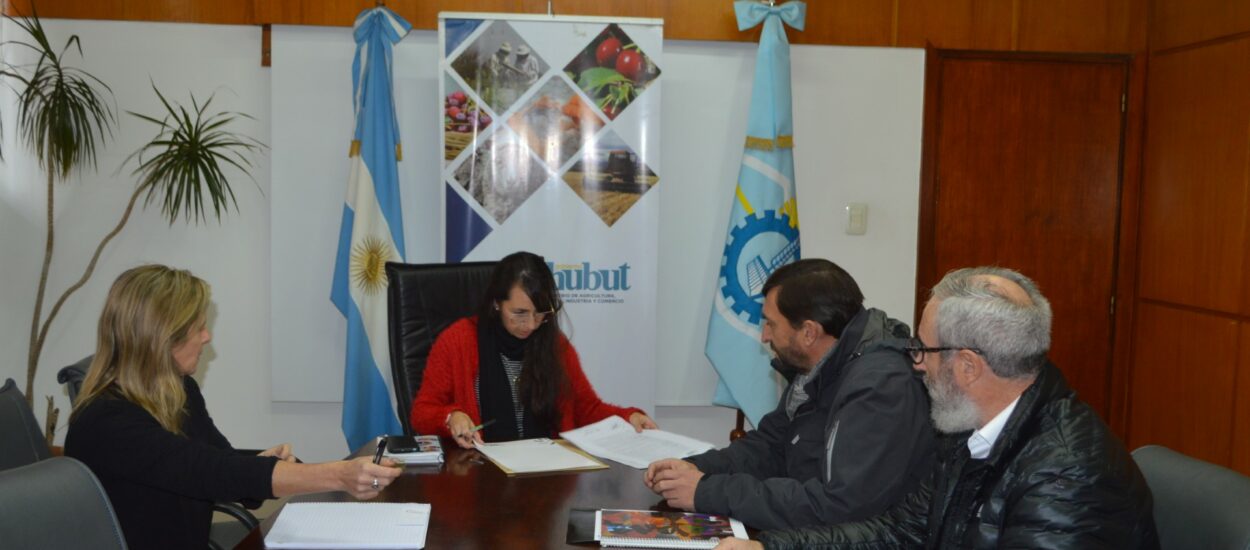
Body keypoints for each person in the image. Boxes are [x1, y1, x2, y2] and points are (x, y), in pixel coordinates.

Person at [715, 267, 1159, 549]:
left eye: (924, 349)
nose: (916, 362)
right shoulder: (967, 429)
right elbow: (900, 531)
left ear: (967, 366)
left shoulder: (1067, 477)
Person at [64, 265, 402, 550]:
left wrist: (262, 465)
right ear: (163, 339)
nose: (207, 336)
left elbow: (219, 460)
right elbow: (207, 471)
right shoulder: (104, 422)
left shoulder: (180, 390)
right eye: (198, 327)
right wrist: (338, 475)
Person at [646, 259, 936, 530]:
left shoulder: (881, 387)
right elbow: (772, 445)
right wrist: (695, 468)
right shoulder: (820, 363)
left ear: (809, 332)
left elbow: (840, 505)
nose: (764, 336)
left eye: (771, 323)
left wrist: (707, 491)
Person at [411, 251, 656, 449]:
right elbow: (422, 413)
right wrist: (451, 416)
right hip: (480, 475)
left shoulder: (555, 345)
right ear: (497, 303)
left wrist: (628, 418)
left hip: (546, 478)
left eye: (540, 315)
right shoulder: (459, 341)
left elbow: (585, 408)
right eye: (519, 313)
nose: (530, 325)